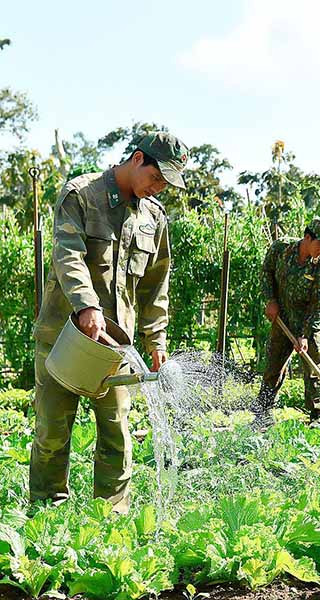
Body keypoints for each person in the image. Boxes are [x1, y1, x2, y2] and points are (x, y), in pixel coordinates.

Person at [30, 131, 187, 513]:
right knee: (52, 434)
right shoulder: (82, 195)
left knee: (117, 435)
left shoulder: (154, 218)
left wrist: (156, 340)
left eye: (166, 184)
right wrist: (87, 306)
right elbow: (68, 255)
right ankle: (46, 515)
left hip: (117, 349)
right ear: (137, 159)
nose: (159, 188)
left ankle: (110, 520)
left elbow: (155, 287)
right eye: (156, 177)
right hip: (63, 337)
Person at [251, 217, 320, 429]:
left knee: (313, 364)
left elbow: (318, 308)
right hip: (282, 317)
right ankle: (263, 413)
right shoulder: (281, 249)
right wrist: (270, 299)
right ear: (308, 237)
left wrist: (305, 336)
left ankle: (317, 415)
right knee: (274, 364)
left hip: (307, 323)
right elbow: (266, 272)